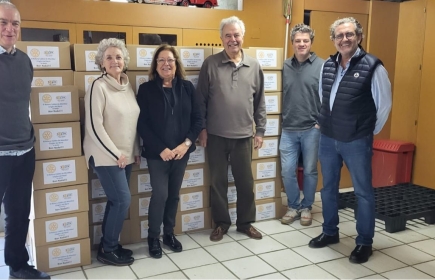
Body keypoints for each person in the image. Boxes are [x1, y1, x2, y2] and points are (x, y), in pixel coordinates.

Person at [308, 17, 392, 264]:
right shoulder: (328, 65)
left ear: (359, 37)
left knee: (363, 192)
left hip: (356, 140)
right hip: (328, 138)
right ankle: (330, 232)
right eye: (339, 35)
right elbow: (325, 99)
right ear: (333, 40)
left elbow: (384, 105)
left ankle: (365, 242)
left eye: (349, 34)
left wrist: (365, 130)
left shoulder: (373, 66)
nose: (344, 39)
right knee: (328, 189)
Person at [196, 16, 267, 242]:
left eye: (236, 35)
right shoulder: (210, 64)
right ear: (221, 38)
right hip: (215, 135)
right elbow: (201, 100)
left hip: (244, 136)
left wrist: (261, 130)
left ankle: (245, 223)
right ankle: (221, 223)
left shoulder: (254, 65)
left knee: (245, 183)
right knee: (218, 183)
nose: (232, 39)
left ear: (242, 37)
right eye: (228, 35)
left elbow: (260, 101)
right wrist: (202, 129)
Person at [137, 44, 202, 258]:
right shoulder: (146, 90)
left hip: (181, 152)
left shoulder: (187, 88)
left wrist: (186, 144)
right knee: (161, 195)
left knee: (173, 196)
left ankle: (169, 234)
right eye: (162, 60)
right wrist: (161, 149)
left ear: (176, 64)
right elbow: (142, 124)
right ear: (155, 65)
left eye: (170, 60)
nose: (166, 64)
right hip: (158, 155)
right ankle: (153, 237)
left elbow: (198, 119)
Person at [0, 1, 50, 279]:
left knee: (18, 214)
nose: (9, 28)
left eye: (15, 23)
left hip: (23, 150)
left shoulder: (24, 60)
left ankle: (18, 266)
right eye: (3, 22)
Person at [83, 38, 140, 266]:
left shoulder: (127, 87)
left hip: (125, 156)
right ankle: (107, 248)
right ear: (101, 63)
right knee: (122, 200)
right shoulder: (98, 86)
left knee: (116, 201)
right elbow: (94, 127)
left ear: (124, 61)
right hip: (106, 156)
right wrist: (116, 153)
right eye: (109, 57)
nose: (114, 61)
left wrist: (134, 150)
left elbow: (132, 122)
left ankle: (111, 246)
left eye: (118, 56)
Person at [280, 23, 324, 226]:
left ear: (311, 42)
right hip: (288, 129)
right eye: (297, 41)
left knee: (309, 171)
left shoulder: (322, 66)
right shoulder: (284, 66)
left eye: (305, 40)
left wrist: (320, 122)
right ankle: (293, 206)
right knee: (287, 171)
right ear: (292, 43)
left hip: (311, 130)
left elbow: (329, 96)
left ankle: (307, 207)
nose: (301, 44)